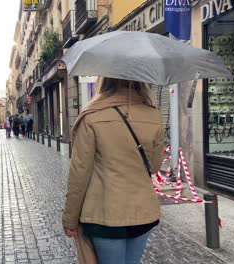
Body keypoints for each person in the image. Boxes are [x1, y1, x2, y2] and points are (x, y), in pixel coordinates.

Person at [62, 78, 164, 264]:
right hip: (142, 212)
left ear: (105, 81)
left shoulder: (92, 116)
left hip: (104, 215)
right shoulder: (153, 115)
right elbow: (155, 165)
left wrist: (70, 219)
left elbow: (79, 174)